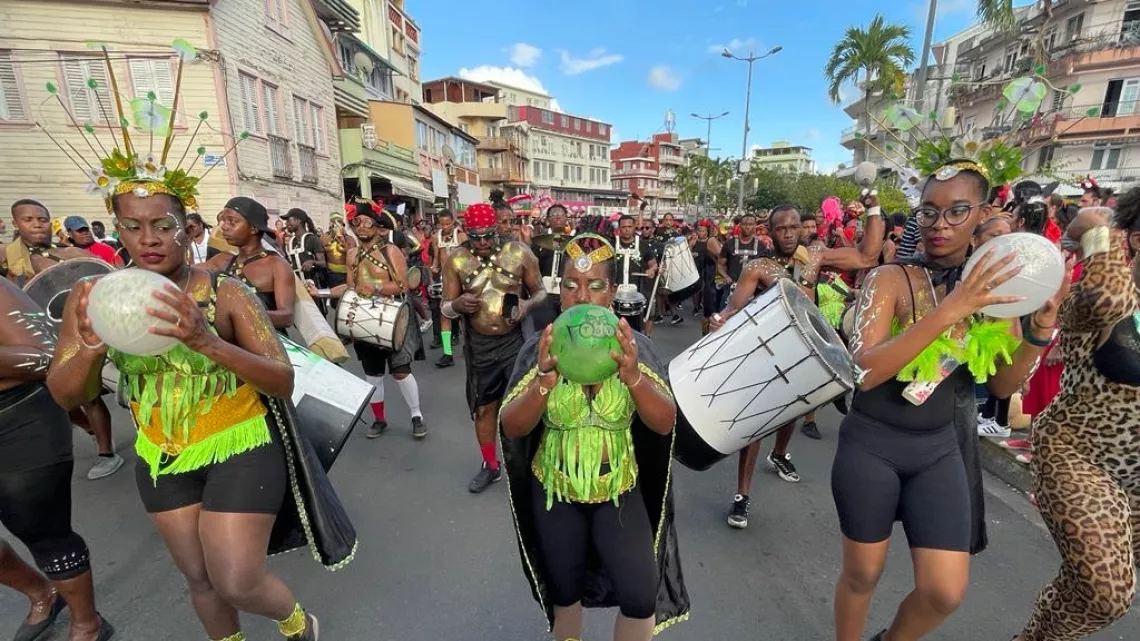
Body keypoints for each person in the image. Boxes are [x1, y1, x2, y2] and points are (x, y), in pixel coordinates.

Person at [832, 160, 1066, 641]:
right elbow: (864, 371)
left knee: (945, 591)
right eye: (929, 212)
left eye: (957, 211)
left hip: (938, 451)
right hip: (871, 446)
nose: (940, 224)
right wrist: (953, 309)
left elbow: (1002, 388)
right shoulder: (891, 279)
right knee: (863, 575)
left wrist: (1039, 332)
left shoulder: (997, 293)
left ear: (982, 214)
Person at [499, 233, 690, 641]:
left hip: (619, 490)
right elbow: (513, 427)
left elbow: (664, 423)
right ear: (559, 291)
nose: (582, 295)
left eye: (595, 285)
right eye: (571, 285)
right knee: (565, 595)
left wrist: (634, 378)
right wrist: (544, 382)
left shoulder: (634, 346)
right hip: (555, 491)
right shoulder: (541, 346)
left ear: (613, 292)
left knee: (640, 597)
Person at [1012, 199, 1140, 641]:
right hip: (1079, 456)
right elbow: (1107, 295)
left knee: (1086, 585)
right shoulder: (1103, 296)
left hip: (1137, 474)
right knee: (1107, 592)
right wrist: (1103, 231)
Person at [713, 199, 885, 529]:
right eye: (782, 228)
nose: (790, 233)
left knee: (789, 412)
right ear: (771, 231)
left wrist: (874, 208)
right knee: (756, 425)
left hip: (806, 355)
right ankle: (742, 496)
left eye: (794, 227)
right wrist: (720, 319)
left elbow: (867, 255)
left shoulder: (816, 255)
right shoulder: (759, 268)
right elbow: (735, 308)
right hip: (768, 350)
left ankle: (779, 454)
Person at [1, 277, 113, 641]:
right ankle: (42, 593)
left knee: (42, 530)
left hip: (19, 419)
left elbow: (51, 355)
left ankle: (87, 624)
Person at [3, 200, 123, 481]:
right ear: (15, 224)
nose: (36, 225)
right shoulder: (7, 258)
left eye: (42, 219)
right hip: (33, 339)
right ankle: (90, 429)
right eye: (28, 219)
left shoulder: (69, 253)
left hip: (77, 333)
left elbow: (105, 283)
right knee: (57, 398)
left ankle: (106, 452)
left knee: (89, 393)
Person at [441, 202, 544, 493]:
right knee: (485, 409)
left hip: (515, 343)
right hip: (481, 346)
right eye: (477, 236)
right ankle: (491, 466)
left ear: (497, 227)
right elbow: (445, 308)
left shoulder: (519, 253)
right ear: (467, 233)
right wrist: (458, 305)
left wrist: (525, 304)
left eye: (488, 234)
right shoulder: (456, 260)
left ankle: (530, 464)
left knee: (523, 403)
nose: (484, 242)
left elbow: (541, 293)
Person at [320, 203, 425, 440]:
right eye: (357, 222)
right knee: (373, 374)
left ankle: (416, 415)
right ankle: (379, 419)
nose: (361, 227)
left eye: (368, 222)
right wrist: (320, 292)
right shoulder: (351, 255)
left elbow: (402, 285)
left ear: (378, 229)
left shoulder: (391, 251)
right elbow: (349, 288)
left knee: (400, 372)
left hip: (391, 318)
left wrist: (376, 288)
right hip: (363, 319)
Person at [205, 197, 296, 331]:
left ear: (253, 228)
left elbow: (286, 317)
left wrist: (238, 316)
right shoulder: (221, 260)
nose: (223, 226)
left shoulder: (276, 265)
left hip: (267, 346)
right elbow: (183, 274)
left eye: (232, 221)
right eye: (223, 220)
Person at [428, 210, 465, 367]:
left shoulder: (461, 236)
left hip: (463, 280)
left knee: (466, 316)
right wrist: (434, 268)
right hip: (447, 281)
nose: (445, 226)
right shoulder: (436, 237)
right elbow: (436, 260)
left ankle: (469, 347)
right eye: (442, 224)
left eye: (447, 223)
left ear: (453, 221)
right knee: (445, 316)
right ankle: (447, 353)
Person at [320, 213, 355, 312]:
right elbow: (321, 255)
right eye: (334, 224)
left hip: (345, 274)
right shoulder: (324, 237)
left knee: (345, 299)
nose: (336, 227)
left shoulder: (349, 239)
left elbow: (352, 254)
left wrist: (342, 241)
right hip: (331, 274)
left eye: (339, 224)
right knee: (335, 301)